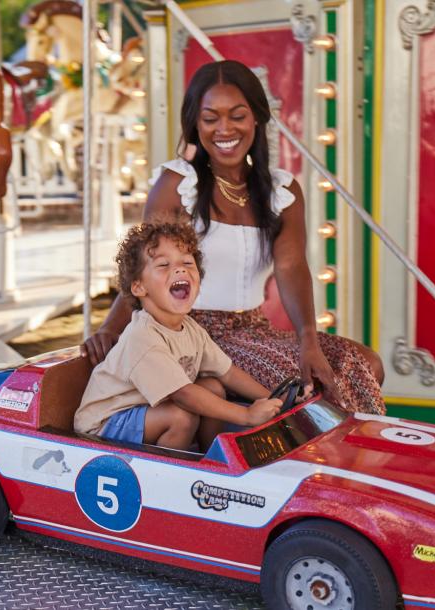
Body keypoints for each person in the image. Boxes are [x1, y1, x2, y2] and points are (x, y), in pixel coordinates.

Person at [83, 60, 385, 415]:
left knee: (366, 363)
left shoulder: (282, 190)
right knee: (295, 384)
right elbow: (144, 268)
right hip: (189, 330)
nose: (224, 129)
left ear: (256, 117)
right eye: (211, 119)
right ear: (196, 124)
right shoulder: (178, 185)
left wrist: (309, 339)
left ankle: (349, 460)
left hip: (253, 329)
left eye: (237, 116)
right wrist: (109, 328)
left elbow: (291, 266)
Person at [73, 222, 282, 450]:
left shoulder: (190, 328)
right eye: (163, 264)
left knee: (213, 387)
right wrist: (247, 415)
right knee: (181, 416)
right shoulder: (142, 336)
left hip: (144, 411)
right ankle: (173, 473)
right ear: (139, 288)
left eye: (187, 262)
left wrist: (274, 399)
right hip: (103, 426)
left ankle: (209, 456)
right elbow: (183, 395)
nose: (180, 269)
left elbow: (228, 373)